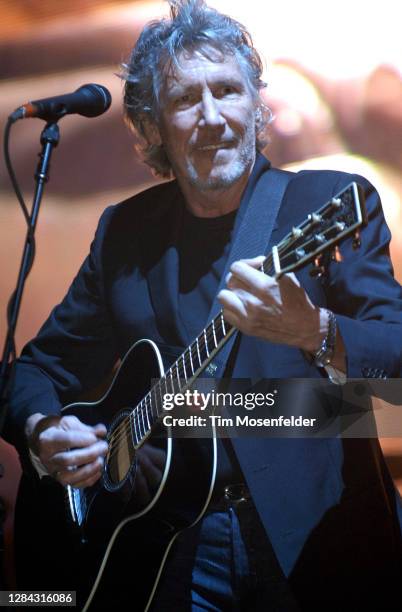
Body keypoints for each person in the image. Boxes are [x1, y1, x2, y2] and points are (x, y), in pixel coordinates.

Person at [5, 1, 402, 610]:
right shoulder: (126, 234)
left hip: (316, 539)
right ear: (153, 126)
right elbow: (37, 370)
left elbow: (396, 358)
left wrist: (317, 331)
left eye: (228, 91)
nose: (213, 118)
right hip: (164, 552)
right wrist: (44, 429)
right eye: (187, 100)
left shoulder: (327, 202)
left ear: (258, 104)